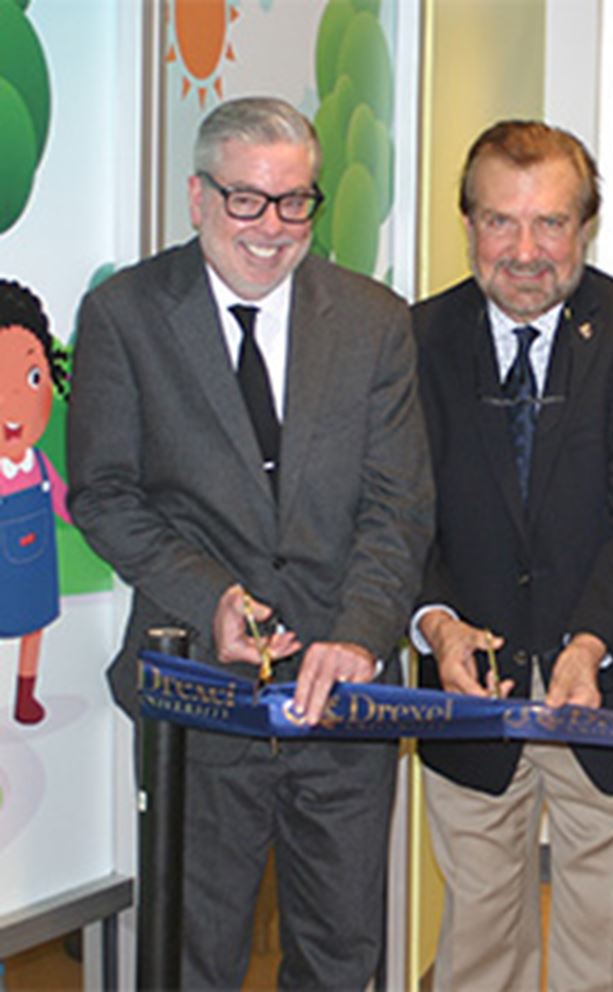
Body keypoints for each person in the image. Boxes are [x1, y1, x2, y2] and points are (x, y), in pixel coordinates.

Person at [66, 96, 433, 989]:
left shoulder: (376, 321)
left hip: (343, 704)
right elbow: (104, 496)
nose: (273, 228)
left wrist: (357, 637)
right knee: (194, 956)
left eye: (296, 201)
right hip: (198, 693)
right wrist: (213, 598)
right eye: (247, 201)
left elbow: (399, 506)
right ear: (198, 198)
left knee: (342, 958)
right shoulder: (125, 315)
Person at [409, 120, 613, 991]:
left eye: (551, 224)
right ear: (467, 224)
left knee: (601, 963)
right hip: (470, 701)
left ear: (586, 227)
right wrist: (436, 622)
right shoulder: (412, 340)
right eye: (501, 222)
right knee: (476, 959)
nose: (526, 251)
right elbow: (398, 516)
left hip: (604, 692)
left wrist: (587, 643)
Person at [0, 280, 71, 725]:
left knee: (33, 627)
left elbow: (66, 504)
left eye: (31, 378)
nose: (14, 404)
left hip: (32, 568)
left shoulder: (40, 465)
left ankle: (26, 692)